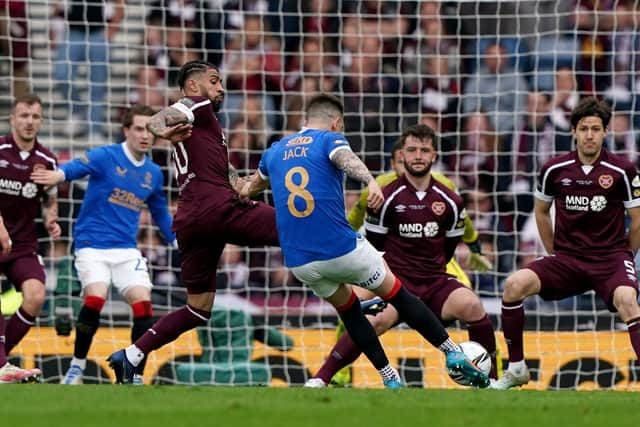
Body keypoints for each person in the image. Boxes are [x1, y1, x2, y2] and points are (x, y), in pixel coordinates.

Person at [239, 93, 490, 388]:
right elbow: (347, 161)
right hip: (343, 250)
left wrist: (218, 165)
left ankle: (382, 376)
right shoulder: (330, 140)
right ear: (337, 122)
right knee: (399, 295)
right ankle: (452, 352)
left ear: (303, 120)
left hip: (301, 263)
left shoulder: (274, 150)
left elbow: (245, 190)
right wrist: (370, 180)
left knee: (351, 312)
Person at [104, 60, 280, 384]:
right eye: (214, 81)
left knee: (198, 309)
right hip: (214, 208)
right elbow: (158, 120)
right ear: (194, 86)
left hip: (190, 218)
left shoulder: (206, 129)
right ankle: (359, 286)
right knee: (295, 228)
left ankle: (130, 356)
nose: (221, 88)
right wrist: (160, 130)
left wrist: (266, 176)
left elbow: (236, 182)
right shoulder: (195, 105)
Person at [306, 124, 498, 387]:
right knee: (371, 321)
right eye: (412, 150)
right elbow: (374, 246)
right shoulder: (384, 197)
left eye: (424, 150)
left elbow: (450, 247)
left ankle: (493, 380)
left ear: (434, 156)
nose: (418, 155)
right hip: (397, 285)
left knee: (473, 305)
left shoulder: (452, 199)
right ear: (402, 156)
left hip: (435, 281)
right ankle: (322, 378)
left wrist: (466, 250)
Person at [492, 97, 640, 390]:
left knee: (628, 300)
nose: (589, 135)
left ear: (605, 132)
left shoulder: (623, 171)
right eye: (584, 128)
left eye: (596, 129)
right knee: (513, 285)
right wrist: (554, 254)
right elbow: (541, 212)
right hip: (568, 259)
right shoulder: (553, 169)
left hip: (610, 259)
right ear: (573, 131)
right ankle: (517, 368)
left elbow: (637, 219)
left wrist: (626, 255)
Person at [31, 105, 176, 385]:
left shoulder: (153, 173)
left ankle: (133, 374)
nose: (144, 135)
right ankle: (77, 365)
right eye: (138, 128)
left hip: (125, 249)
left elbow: (160, 214)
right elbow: (76, 167)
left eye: (150, 129)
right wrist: (57, 176)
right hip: (91, 244)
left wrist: (178, 240)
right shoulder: (107, 155)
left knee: (143, 304)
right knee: (95, 297)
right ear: (126, 130)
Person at [0, 94, 62, 383]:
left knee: (36, 295)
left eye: (35, 116)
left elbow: (50, 199)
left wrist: (51, 218)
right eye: (24, 115)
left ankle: (2, 362)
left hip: (23, 244)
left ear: (41, 121)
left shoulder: (47, 159)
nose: (29, 122)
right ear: (12, 119)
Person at [52, 0, 124, 139]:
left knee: (97, 85)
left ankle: (94, 129)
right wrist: (55, 29)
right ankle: (78, 111)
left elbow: (119, 4)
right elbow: (57, 5)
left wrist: (111, 30)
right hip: (73, 32)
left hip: (98, 32)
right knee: (62, 74)